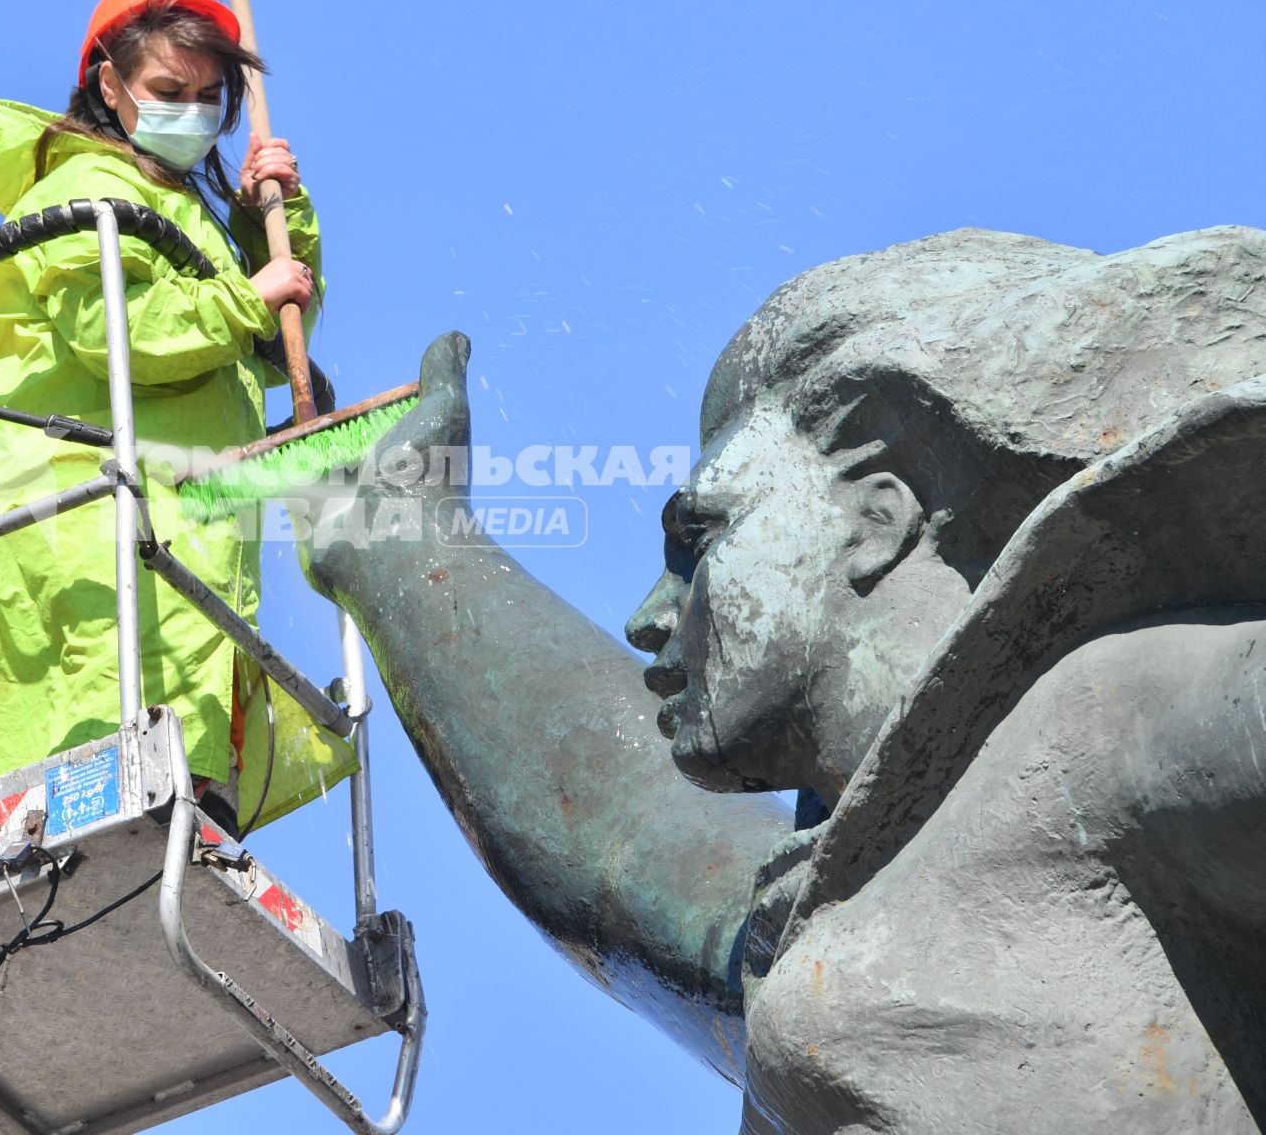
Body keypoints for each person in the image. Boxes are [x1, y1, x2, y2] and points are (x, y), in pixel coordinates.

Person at [297, 227, 1266, 1130]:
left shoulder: (1120, 714)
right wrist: (402, 540)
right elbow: (632, 848)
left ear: (877, 516)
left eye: (698, 537)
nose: (652, 613)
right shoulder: (845, 898)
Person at [0, 0, 353, 833]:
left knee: (181, 731)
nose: (194, 111)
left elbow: (271, 343)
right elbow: (125, 336)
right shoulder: (74, 196)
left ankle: (187, 820)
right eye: (168, 91)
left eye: (211, 97)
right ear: (110, 85)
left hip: (181, 512)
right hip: (91, 504)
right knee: (100, 719)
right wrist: (248, 294)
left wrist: (272, 223)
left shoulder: (194, 214)